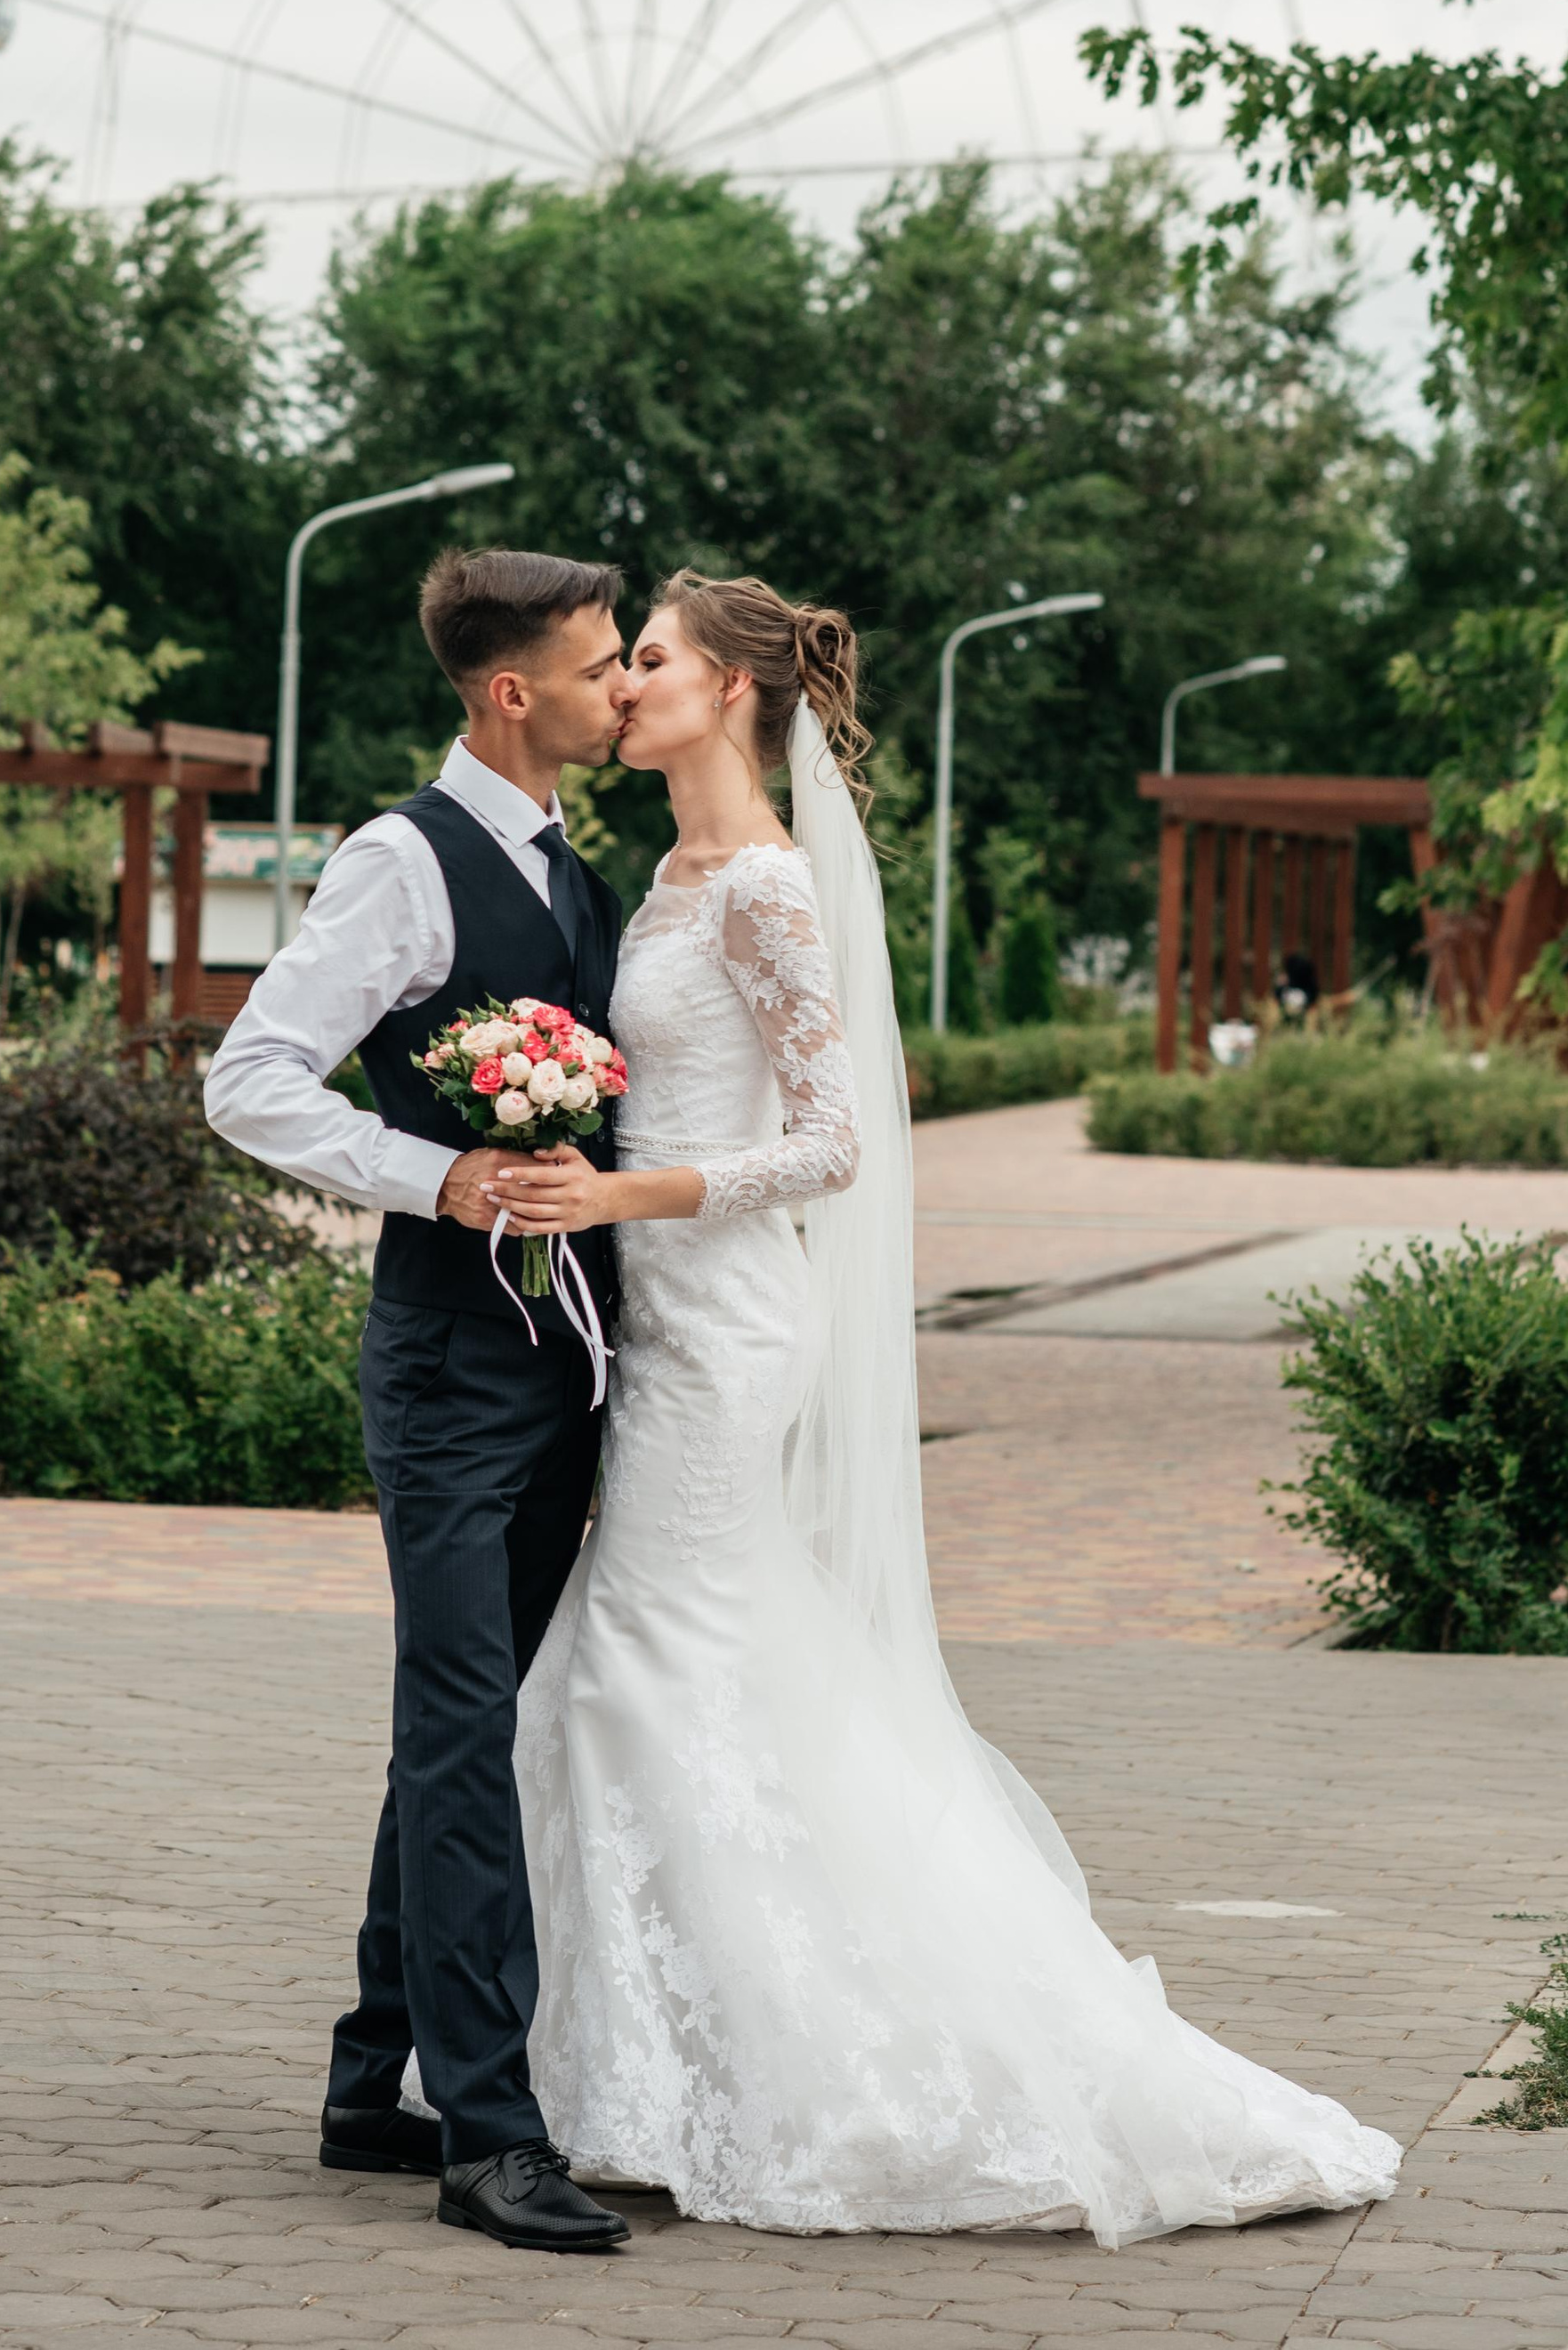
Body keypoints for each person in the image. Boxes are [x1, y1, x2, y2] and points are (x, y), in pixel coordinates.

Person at [485, 571, 1402, 2244]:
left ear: (736, 692)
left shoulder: (762, 881)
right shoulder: (672, 872)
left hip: (728, 1318)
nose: (623, 685)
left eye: (656, 662)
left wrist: (626, 1199)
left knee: (632, 1663)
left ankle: (772, 2070)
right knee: (685, 1659)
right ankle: (649, 2069)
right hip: (663, 1314)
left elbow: (840, 1137)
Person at [202, 546, 635, 2255]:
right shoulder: (405, 857)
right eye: (600, 666)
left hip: (561, 1364)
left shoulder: (572, 871)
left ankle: (368, 2073)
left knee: (471, 1719)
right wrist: (440, 1174)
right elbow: (249, 1079)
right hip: (451, 1365)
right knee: (464, 1727)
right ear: (510, 689)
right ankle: (491, 2133)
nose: (622, 686)